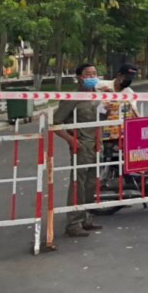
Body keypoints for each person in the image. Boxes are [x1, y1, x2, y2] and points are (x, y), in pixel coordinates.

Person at [53, 64, 103, 238]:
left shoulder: (96, 95)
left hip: (94, 146)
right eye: (88, 74)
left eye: (95, 74)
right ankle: (73, 224)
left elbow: (98, 120)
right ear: (79, 77)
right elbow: (56, 124)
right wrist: (70, 140)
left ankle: (85, 219)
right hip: (80, 146)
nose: (92, 77)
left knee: (91, 184)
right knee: (78, 185)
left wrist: (99, 140)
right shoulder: (72, 97)